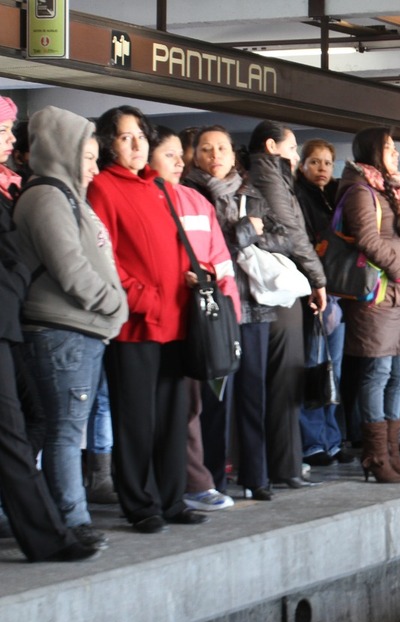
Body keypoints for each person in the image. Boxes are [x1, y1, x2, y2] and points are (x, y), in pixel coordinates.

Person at [87, 105, 204, 532]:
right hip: (135, 324)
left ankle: (172, 499)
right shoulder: (102, 187)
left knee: (173, 419)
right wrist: (143, 298)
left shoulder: (158, 186)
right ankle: (140, 505)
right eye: (125, 137)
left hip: (175, 319)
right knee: (136, 421)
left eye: (140, 135)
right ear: (109, 144)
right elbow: (103, 257)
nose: (137, 144)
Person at [16, 106, 129, 547]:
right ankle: (71, 522)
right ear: (62, 151)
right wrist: (114, 305)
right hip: (62, 331)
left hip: (79, 330)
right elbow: (71, 269)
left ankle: (56, 517)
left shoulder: (66, 195)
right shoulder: (47, 196)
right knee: (65, 431)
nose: (94, 168)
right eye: (87, 157)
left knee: (58, 428)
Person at [0, 96, 100, 562]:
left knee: (31, 419)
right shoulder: (34, 194)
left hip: (10, 322)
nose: (10, 138)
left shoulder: (13, 187)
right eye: (2, 130)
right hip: (10, 318)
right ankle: (49, 537)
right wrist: (18, 274)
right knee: (15, 430)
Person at [184, 125, 280, 501]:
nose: (214, 156)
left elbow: (283, 238)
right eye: (206, 149)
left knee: (254, 395)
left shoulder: (251, 192)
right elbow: (204, 248)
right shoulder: (190, 193)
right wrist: (244, 231)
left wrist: (249, 234)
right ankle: (213, 479)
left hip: (254, 307)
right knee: (216, 401)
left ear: (232, 153)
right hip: (215, 311)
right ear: (195, 155)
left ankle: (257, 476)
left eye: (221, 148)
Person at [147, 126, 239, 513]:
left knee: (190, 406)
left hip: (194, 321)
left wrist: (229, 319)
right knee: (153, 410)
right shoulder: (141, 198)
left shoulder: (196, 200)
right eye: (169, 155)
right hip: (150, 320)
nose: (179, 162)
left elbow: (221, 260)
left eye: (178, 155)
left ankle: (194, 483)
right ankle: (160, 487)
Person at [336, 127, 400, 482]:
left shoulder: (394, 189)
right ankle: (375, 457)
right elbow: (367, 238)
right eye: (388, 148)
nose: (395, 153)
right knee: (379, 374)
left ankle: (392, 453)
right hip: (380, 295)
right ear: (372, 151)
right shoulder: (361, 189)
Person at [246, 120, 327, 490]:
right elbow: (292, 233)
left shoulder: (273, 176)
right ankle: (284, 466)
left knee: (282, 379)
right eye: (292, 147)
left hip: (279, 285)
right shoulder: (269, 176)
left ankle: (284, 463)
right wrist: (318, 278)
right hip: (278, 288)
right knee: (283, 378)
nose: (296, 155)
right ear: (271, 146)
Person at [294, 137, 351, 467]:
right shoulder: (299, 196)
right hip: (313, 293)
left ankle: (332, 438)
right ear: (302, 164)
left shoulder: (334, 197)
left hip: (336, 293)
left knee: (334, 369)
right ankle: (313, 442)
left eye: (327, 163)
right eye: (314, 162)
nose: (322, 168)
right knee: (315, 367)